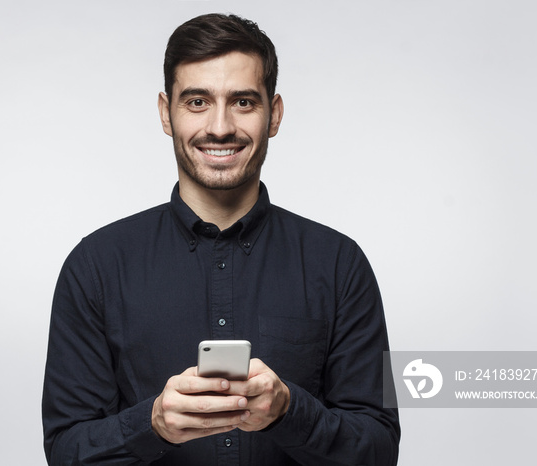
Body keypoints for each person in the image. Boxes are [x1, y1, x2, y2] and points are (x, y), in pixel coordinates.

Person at [42, 13, 400, 465]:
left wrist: (291, 412)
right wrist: (151, 425)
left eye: (244, 102)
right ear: (165, 113)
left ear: (275, 114)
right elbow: (66, 452)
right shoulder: (95, 266)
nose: (220, 126)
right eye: (196, 101)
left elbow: (381, 449)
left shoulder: (340, 264)